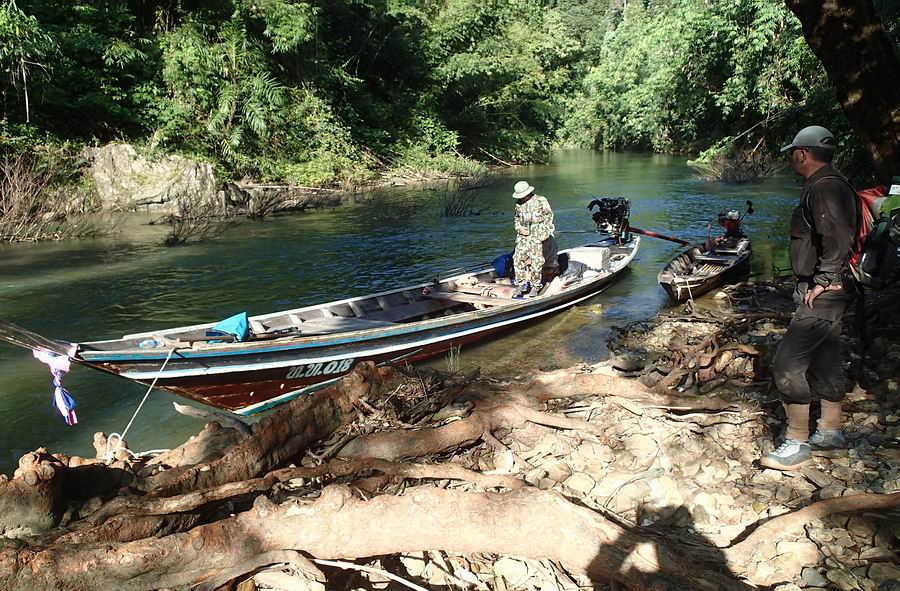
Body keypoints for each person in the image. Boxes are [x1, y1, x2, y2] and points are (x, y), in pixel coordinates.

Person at [760, 125, 858, 470]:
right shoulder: (830, 183)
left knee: (786, 364)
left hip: (825, 291)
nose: (791, 159)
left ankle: (797, 442)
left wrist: (823, 281)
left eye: (792, 153)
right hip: (830, 288)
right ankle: (830, 433)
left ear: (802, 154)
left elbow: (837, 239)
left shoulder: (825, 187)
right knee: (825, 358)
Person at [511, 180, 556, 297]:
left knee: (536, 260)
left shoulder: (540, 200)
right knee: (517, 258)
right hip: (523, 236)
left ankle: (535, 286)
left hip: (537, 235)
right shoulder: (518, 204)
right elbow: (517, 219)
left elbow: (549, 216)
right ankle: (520, 284)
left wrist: (545, 232)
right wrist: (519, 228)